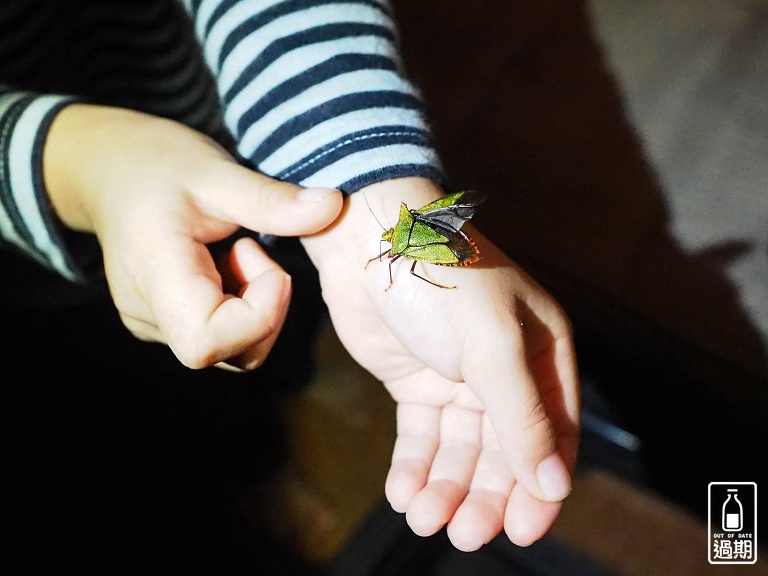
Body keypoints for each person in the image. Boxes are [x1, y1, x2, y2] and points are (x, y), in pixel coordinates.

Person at [0, 0, 580, 566]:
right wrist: (83, 167)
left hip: (250, 150)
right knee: (151, 410)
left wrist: (367, 191)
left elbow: (402, 233)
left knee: (274, 337)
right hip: (43, 274)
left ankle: (274, 430)